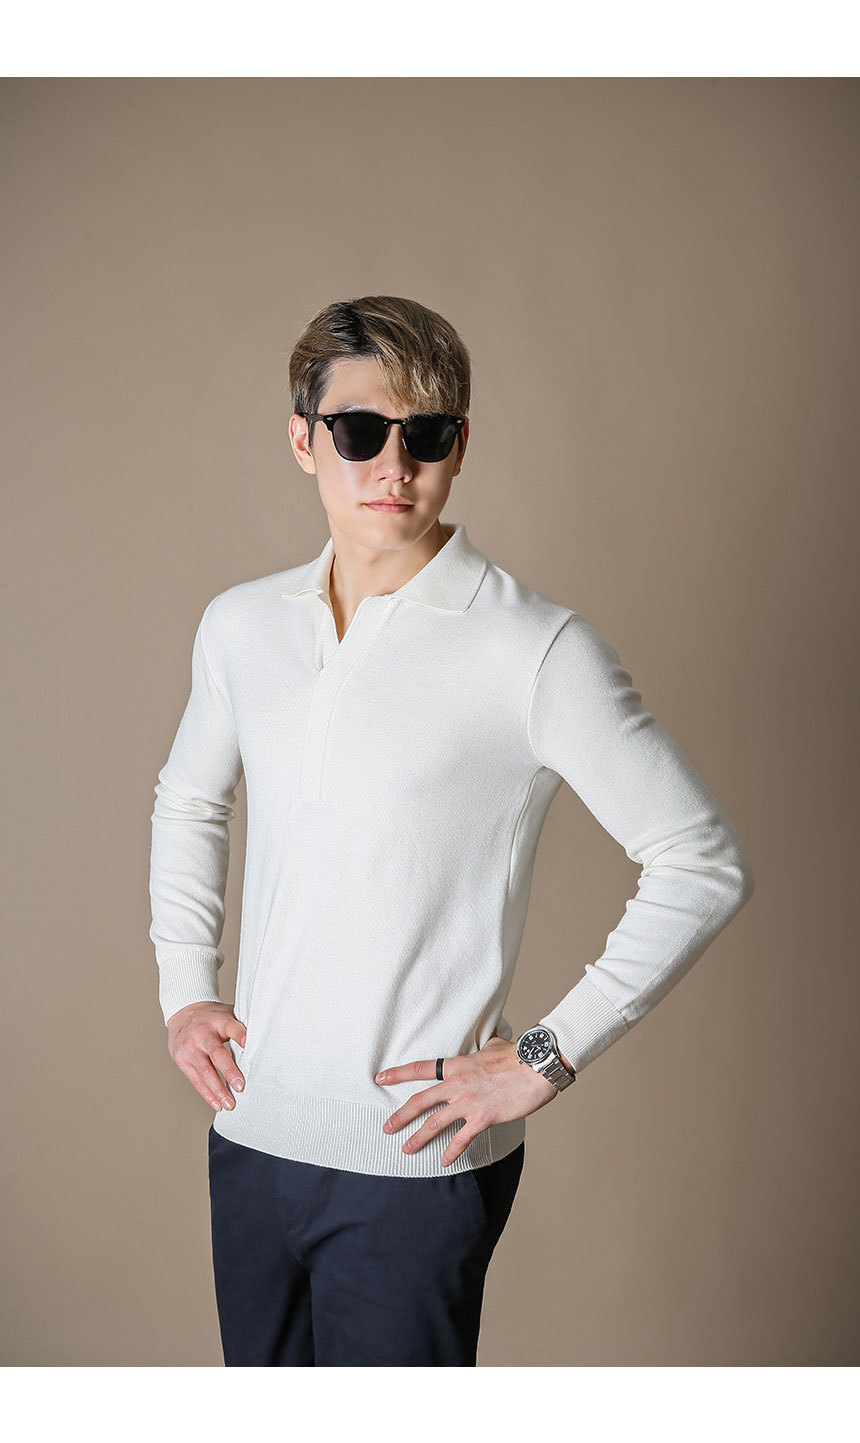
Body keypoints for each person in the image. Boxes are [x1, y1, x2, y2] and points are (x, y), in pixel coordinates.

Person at [148, 294, 755, 1367]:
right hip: (250, 1138)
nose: (394, 464)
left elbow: (699, 862)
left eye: (425, 433)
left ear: (459, 446)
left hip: (413, 1165)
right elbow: (191, 798)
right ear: (303, 440)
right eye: (358, 430)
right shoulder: (240, 626)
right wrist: (184, 987)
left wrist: (544, 1058)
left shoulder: (534, 650)